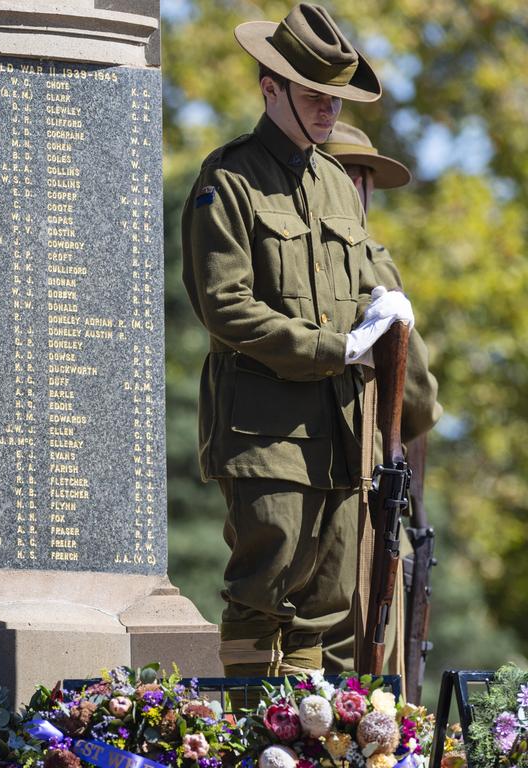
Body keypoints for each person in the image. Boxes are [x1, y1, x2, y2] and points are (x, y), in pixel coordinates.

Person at [180, 3, 415, 678]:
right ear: (270, 88)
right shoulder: (229, 180)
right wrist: (332, 349)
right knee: (265, 587)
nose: (327, 110)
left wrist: (392, 302)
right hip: (266, 434)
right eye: (314, 94)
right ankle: (252, 735)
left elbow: (374, 281)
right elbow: (225, 306)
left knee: (326, 600)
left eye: (334, 98)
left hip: (340, 432)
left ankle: (304, 741)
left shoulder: (338, 187)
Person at [318, 121, 443, 673]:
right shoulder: (369, 257)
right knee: (372, 658)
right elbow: (416, 397)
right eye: (358, 177)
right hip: (365, 477)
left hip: (292, 472)